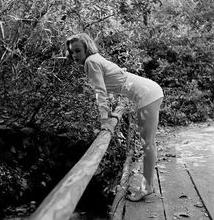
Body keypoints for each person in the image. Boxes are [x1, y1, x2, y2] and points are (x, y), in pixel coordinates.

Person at [65, 33, 164, 201]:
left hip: (146, 95)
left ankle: (147, 188)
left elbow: (100, 91)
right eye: (72, 52)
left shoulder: (91, 61)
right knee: (148, 143)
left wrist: (105, 120)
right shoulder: (96, 58)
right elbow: (114, 80)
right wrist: (110, 113)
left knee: (148, 144)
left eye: (78, 50)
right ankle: (148, 186)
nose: (74, 55)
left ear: (87, 48)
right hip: (150, 90)